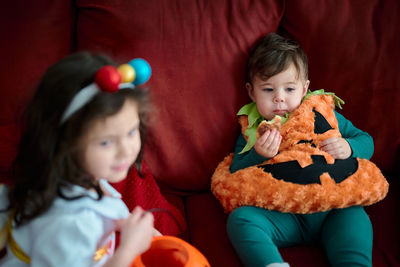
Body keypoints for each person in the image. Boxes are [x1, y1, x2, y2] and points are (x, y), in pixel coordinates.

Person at [226, 33, 374, 267]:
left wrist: (349, 146)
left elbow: (367, 141)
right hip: (284, 213)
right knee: (240, 219)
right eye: (267, 90)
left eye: (289, 89)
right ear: (251, 92)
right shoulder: (251, 129)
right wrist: (258, 154)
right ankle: (272, 264)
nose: (279, 99)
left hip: (331, 208)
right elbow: (235, 175)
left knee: (355, 215)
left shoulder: (323, 114)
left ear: (304, 89)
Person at [0, 52, 156, 266]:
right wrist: (129, 247)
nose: (126, 150)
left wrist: (127, 224)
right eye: (106, 142)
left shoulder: (78, 175)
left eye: (131, 132)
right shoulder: (72, 224)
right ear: (64, 143)